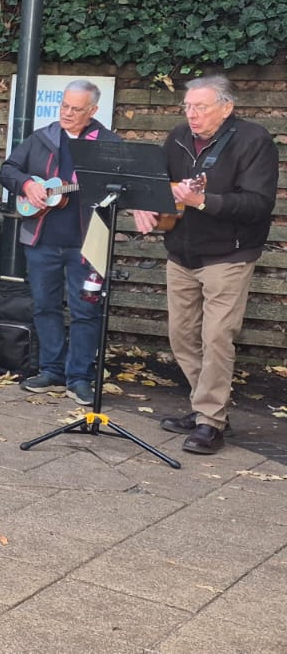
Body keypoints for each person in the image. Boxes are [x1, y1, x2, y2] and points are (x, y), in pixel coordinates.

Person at [132, 75, 277, 455]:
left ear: (226, 107)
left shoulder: (253, 140)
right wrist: (144, 205)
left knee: (216, 338)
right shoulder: (178, 136)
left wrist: (202, 201)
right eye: (188, 106)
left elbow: (258, 204)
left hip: (229, 254)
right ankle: (205, 408)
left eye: (201, 107)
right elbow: (154, 183)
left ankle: (210, 422)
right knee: (182, 337)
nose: (192, 115)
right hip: (181, 252)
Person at [0, 80, 120, 406]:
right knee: (45, 307)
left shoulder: (108, 144)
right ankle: (51, 369)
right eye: (64, 105)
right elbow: (8, 170)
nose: (66, 113)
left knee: (85, 311)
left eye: (76, 109)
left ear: (93, 111)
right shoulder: (42, 138)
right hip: (41, 240)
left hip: (87, 243)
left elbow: (124, 185)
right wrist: (26, 185)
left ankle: (79, 376)